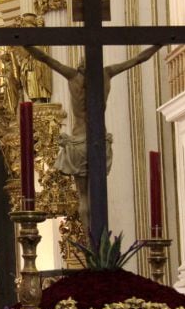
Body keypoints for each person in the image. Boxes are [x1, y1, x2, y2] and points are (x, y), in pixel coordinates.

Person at [24, 44, 163, 232]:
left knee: (82, 196)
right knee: (98, 194)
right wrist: (158, 44)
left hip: (78, 143)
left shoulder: (73, 76)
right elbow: (139, 59)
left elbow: (45, 58)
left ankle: (90, 242)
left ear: (82, 64)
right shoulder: (107, 73)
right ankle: (100, 239)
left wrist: (25, 44)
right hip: (99, 142)